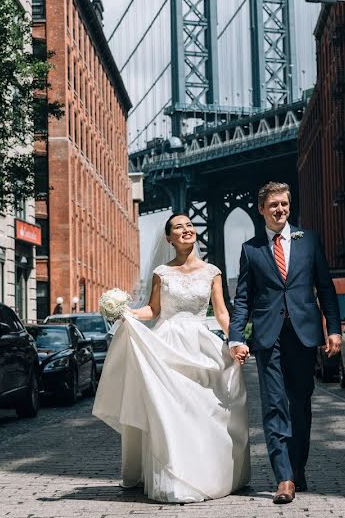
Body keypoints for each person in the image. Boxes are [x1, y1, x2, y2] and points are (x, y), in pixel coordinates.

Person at [93, 213, 250, 503]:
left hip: (199, 343)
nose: (187, 229)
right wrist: (126, 313)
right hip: (166, 345)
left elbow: (221, 312)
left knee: (204, 412)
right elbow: (152, 310)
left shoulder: (212, 272)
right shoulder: (161, 273)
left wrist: (236, 340)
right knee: (171, 413)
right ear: (169, 238)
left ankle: (206, 472)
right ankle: (172, 478)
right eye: (179, 227)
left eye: (190, 225)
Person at [228, 181, 342, 504]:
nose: (280, 210)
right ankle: (284, 478)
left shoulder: (309, 241)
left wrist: (333, 328)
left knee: (301, 405)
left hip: (304, 335)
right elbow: (243, 299)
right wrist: (237, 337)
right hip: (268, 337)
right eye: (273, 205)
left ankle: (297, 467)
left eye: (284, 204)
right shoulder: (251, 250)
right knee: (275, 406)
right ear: (261, 209)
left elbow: (326, 287)